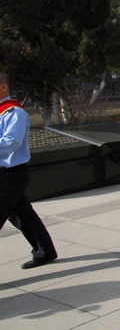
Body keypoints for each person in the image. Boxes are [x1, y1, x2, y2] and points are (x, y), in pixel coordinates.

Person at [0, 72, 58, 270]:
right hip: (5, 174)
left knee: (21, 214)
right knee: (24, 215)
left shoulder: (14, 113)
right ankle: (45, 251)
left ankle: (44, 251)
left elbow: (12, 142)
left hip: (11, 174)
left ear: (3, 87)